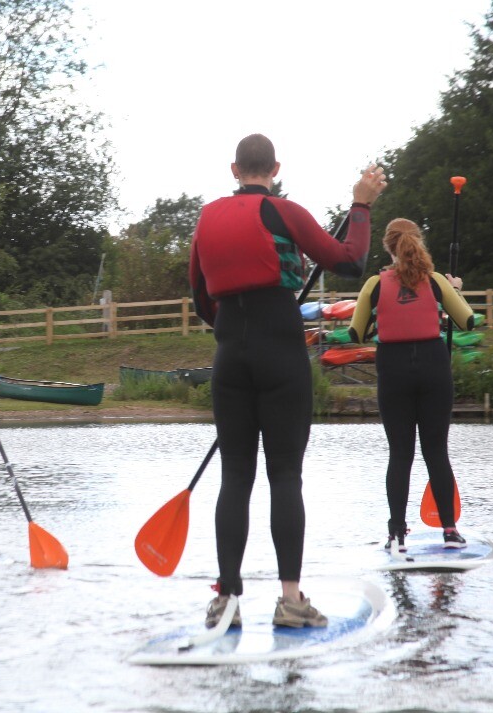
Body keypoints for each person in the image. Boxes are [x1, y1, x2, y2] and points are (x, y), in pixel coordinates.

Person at [189, 133, 387, 629]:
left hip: (230, 354)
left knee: (235, 476)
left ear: (234, 170)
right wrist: (360, 205)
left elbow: (201, 301)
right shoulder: (284, 210)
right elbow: (349, 260)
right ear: (274, 168)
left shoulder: (206, 218)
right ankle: (291, 601)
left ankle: (227, 599)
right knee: (284, 476)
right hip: (281, 352)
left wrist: (237, 328)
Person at [348, 218, 475, 552]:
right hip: (434, 367)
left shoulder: (375, 284)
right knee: (436, 451)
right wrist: (455, 289)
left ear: (389, 247)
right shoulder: (435, 281)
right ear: (418, 242)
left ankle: (397, 533)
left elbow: (356, 333)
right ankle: (449, 530)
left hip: (393, 370)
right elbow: (468, 319)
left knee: (400, 454)